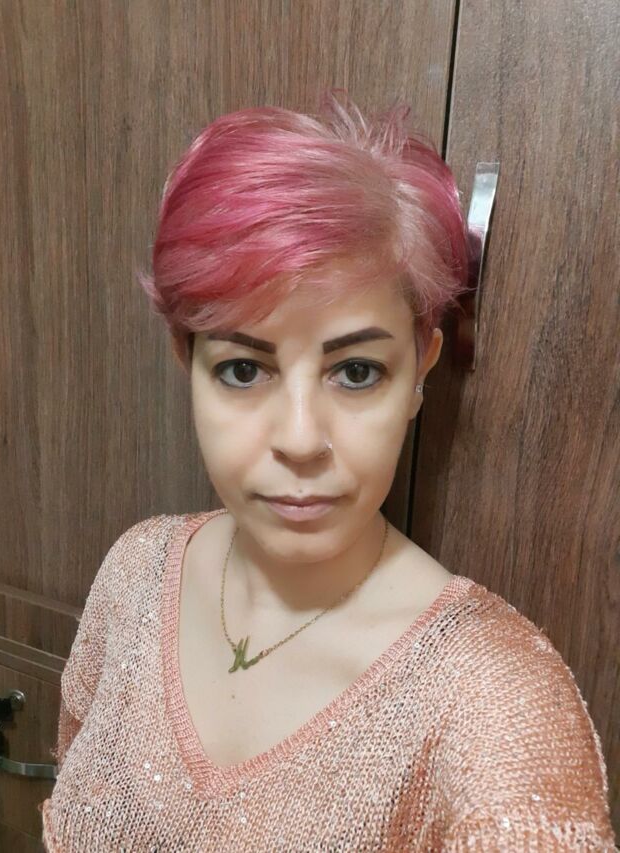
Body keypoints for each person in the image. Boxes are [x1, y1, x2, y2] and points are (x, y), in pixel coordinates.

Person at [40, 90, 616, 851]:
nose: (301, 439)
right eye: (244, 368)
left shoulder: (493, 701)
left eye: (356, 372)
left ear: (421, 368)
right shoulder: (135, 572)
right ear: (187, 361)